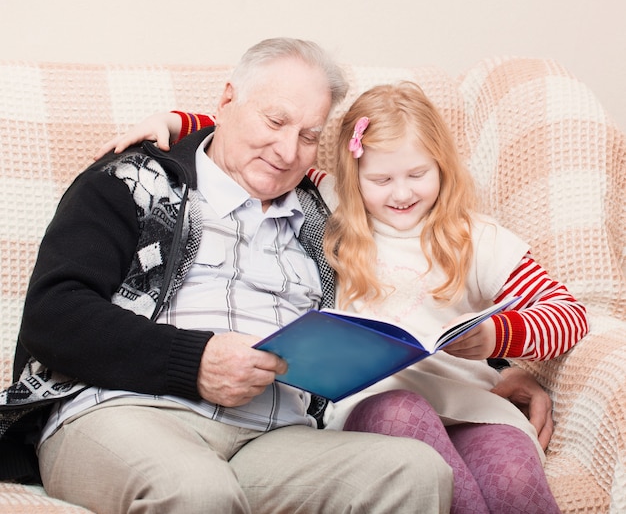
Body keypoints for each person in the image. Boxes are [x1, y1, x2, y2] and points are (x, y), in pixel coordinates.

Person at [0, 38, 456, 514]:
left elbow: (420, 277)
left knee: (415, 471)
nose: (286, 150)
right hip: (127, 413)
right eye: (275, 121)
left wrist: (494, 371)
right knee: (198, 493)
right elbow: (52, 315)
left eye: (307, 136)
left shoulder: (327, 216)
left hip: (276, 438)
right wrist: (194, 361)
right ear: (226, 101)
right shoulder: (131, 182)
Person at [96, 81, 585, 513]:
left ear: (443, 166)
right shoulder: (333, 207)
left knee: (516, 478)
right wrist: (176, 121)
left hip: (470, 398)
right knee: (404, 414)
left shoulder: (473, 236)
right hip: (372, 403)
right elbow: (252, 143)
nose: (400, 194)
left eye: (418, 175)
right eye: (381, 180)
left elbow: (568, 314)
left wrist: (498, 336)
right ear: (354, 176)